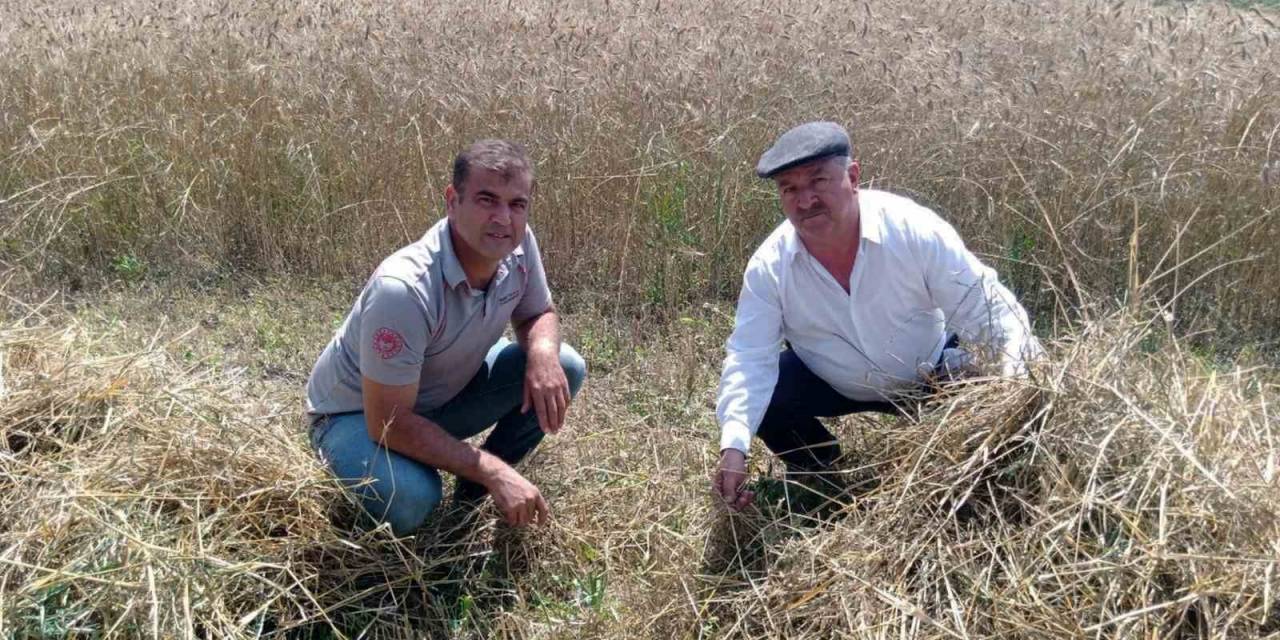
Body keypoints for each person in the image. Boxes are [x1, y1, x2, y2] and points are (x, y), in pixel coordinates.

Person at [712, 121, 1040, 511]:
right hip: (831, 380)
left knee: (974, 449)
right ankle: (819, 471)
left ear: (852, 176)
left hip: (930, 375)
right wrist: (733, 448)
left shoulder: (913, 229)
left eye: (818, 181)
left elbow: (989, 310)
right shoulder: (770, 265)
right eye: (790, 189)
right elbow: (750, 357)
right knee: (770, 393)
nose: (805, 201)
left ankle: (950, 479)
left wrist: (1024, 392)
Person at [305, 139, 587, 535]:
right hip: (356, 417)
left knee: (565, 364)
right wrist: (494, 470)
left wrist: (542, 354)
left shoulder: (519, 246)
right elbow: (388, 420)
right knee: (414, 498)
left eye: (517, 204)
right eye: (487, 200)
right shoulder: (403, 288)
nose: (503, 219)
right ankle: (473, 477)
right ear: (452, 200)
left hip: (436, 398)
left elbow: (538, 313)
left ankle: (472, 493)